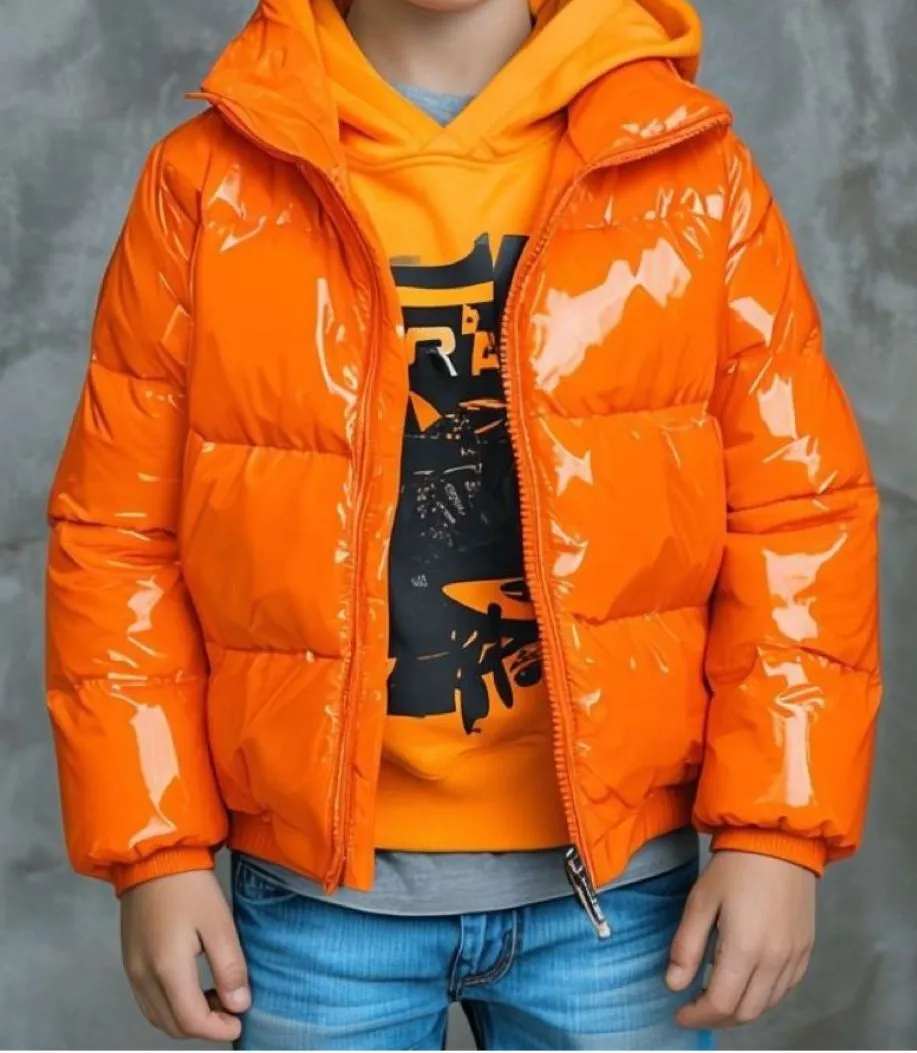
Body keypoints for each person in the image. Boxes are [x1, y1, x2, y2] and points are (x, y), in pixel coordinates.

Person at [44, 0, 881, 1048]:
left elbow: (798, 516)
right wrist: (154, 851)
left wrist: (773, 830)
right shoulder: (207, 183)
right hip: (312, 901)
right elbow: (117, 537)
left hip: (618, 897)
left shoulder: (693, 177)